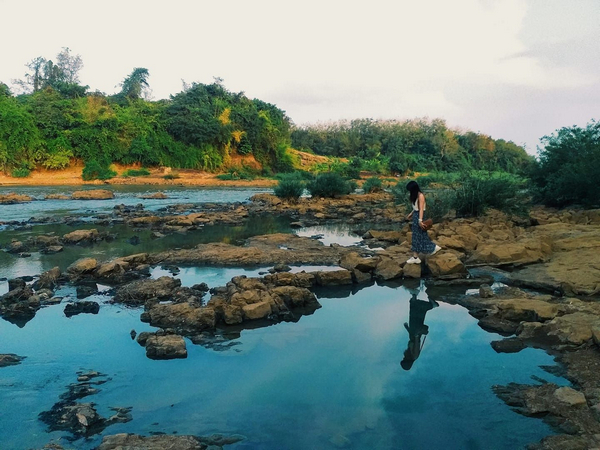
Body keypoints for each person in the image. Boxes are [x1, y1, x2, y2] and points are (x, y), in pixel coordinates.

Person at [400, 291, 439, 371]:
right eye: (404, 360)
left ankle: (414, 298)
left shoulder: (409, 354)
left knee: (413, 314)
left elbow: (411, 339)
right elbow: (417, 343)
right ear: (408, 361)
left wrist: (407, 328)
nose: (403, 358)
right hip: (416, 332)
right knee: (417, 315)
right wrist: (417, 335)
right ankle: (431, 305)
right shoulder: (414, 355)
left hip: (413, 331)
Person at [405, 180, 441, 264]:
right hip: (416, 216)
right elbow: (416, 208)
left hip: (419, 216)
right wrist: (411, 214)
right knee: (418, 236)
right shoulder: (415, 195)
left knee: (418, 236)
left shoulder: (421, 195)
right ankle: (418, 255)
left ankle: (419, 255)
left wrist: (420, 220)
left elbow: (421, 209)